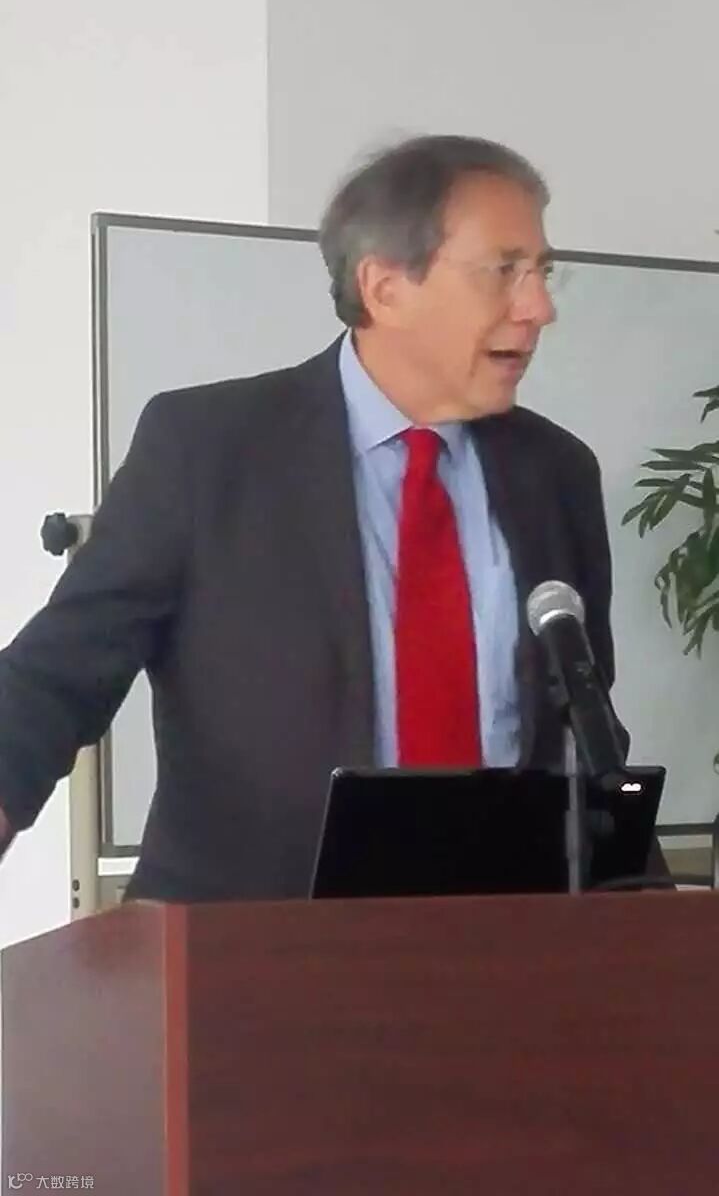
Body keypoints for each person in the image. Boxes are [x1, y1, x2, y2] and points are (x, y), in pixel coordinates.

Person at [0, 134, 652, 900]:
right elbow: (59, 674)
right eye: (503, 270)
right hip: (247, 938)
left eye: (541, 271)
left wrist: (647, 914)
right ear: (384, 287)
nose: (539, 307)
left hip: (500, 936)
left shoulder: (555, 472)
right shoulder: (208, 448)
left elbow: (584, 723)